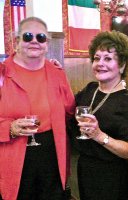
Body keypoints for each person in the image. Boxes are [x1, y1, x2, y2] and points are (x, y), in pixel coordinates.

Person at [0, 17, 75, 200]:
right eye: (27, 36)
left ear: (47, 44)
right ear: (16, 41)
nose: (34, 41)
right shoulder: (2, 73)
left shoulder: (57, 73)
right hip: (12, 153)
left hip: (52, 152)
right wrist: (9, 128)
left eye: (41, 37)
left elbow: (70, 110)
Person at [70, 30, 128, 200]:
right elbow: (67, 109)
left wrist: (99, 135)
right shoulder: (90, 89)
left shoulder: (127, 101)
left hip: (110, 175)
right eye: (96, 58)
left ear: (122, 65)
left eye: (108, 59)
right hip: (84, 168)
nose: (100, 63)